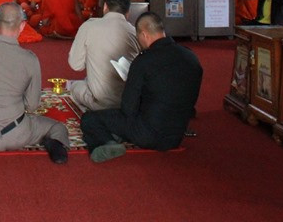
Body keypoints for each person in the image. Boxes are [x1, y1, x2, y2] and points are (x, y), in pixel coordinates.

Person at [0, 3, 71, 163]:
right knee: (57, 127)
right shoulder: (30, 59)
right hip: (18, 134)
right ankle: (56, 145)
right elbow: (32, 106)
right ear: (22, 26)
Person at [81, 12, 202, 162]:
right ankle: (116, 135)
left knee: (89, 119)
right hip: (176, 135)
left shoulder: (144, 61)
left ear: (144, 35)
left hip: (147, 135)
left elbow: (127, 108)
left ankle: (107, 143)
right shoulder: (190, 56)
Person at [68, 0, 140, 112]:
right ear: (128, 13)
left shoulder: (89, 26)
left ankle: (91, 113)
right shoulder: (134, 32)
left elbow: (75, 65)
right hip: (130, 102)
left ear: (105, 7)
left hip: (101, 103)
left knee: (75, 87)